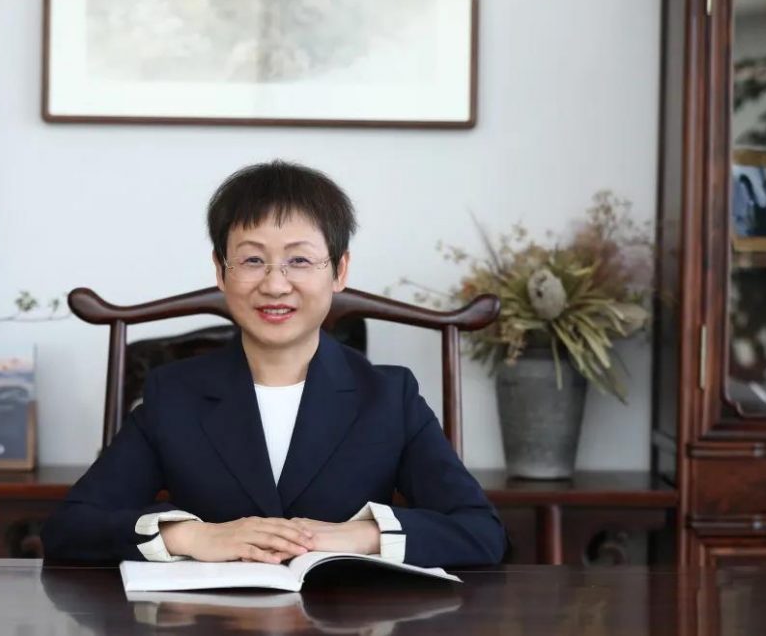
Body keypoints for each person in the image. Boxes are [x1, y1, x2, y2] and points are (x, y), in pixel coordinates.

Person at [40, 160, 505, 568]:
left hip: (344, 621)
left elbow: (481, 532)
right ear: (221, 271)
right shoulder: (174, 394)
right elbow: (71, 528)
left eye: (299, 260)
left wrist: (360, 536)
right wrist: (193, 537)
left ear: (340, 270)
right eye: (252, 260)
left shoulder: (388, 397)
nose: (276, 285)